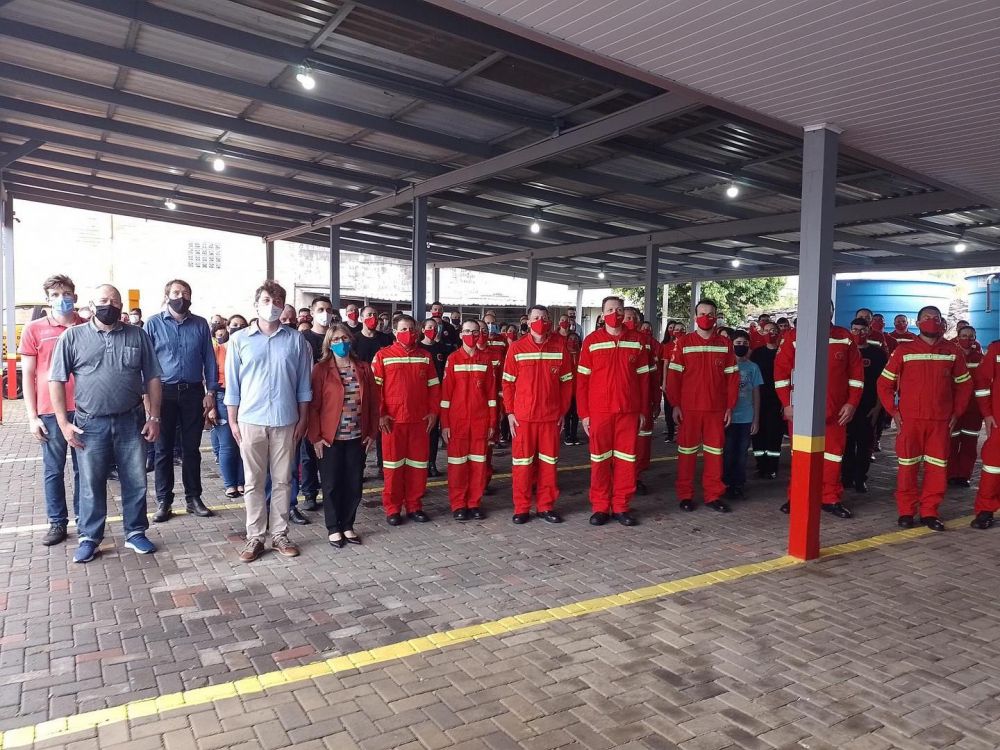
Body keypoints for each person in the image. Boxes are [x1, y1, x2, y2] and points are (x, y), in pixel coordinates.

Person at [49, 284, 162, 563]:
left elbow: (153, 377)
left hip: (131, 421)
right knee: (90, 482)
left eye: (114, 301)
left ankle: (135, 532)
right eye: (102, 300)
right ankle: (89, 537)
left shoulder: (138, 335)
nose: (108, 305)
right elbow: (57, 380)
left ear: (122, 306)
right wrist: (64, 423)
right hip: (89, 423)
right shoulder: (72, 338)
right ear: (90, 304)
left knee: (135, 480)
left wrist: (154, 417)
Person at [225, 280, 313, 562]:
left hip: (286, 420)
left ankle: (279, 534)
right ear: (256, 304)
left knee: (283, 480)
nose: (272, 306)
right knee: (252, 481)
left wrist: (303, 418)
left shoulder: (295, 340)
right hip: (251, 419)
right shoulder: (239, 340)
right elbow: (233, 386)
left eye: (277, 301)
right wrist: (234, 422)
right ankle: (255, 537)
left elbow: (303, 384)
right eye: (266, 300)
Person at [877, 305, 972, 531]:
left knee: (937, 469)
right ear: (918, 323)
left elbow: (964, 385)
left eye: (936, 318)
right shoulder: (903, 351)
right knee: (907, 467)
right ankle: (907, 511)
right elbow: (884, 384)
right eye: (927, 318)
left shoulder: (952, 351)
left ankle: (930, 511)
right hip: (911, 421)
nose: (932, 321)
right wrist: (894, 412)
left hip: (940, 422)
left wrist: (956, 413)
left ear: (942, 323)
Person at [774, 304, 862, 518]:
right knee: (801, 457)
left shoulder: (845, 337)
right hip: (801, 411)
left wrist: (852, 403)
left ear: (832, 312)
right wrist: (787, 404)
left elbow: (856, 376)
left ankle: (830, 498)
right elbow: (781, 374)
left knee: (832, 458)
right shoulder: (793, 337)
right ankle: (797, 497)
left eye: (826, 308)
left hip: (836, 412)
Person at [142, 280, 217, 522]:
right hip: (162, 393)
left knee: (191, 449)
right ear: (166, 296)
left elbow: (209, 359)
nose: (181, 296)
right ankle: (164, 501)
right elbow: (146, 362)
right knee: (163, 449)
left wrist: (210, 392)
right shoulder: (153, 324)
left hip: (193, 392)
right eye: (176, 292)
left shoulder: (200, 324)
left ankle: (194, 498)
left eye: (185, 292)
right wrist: (147, 399)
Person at [20, 274, 84, 546]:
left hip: (85, 410)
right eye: (55, 295)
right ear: (47, 300)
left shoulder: (87, 327)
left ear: (75, 297)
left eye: (66, 294)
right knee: (53, 470)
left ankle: (85, 520)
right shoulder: (34, 329)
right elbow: (29, 375)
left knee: (86, 469)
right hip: (49, 411)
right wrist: (32, 417)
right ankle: (57, 523)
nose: (62, 299)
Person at [576, 297, 650, 526]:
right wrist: (584, 414)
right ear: (602, 313)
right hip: (600, 412)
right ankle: (600, 507)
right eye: (610, 310)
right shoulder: (591, 341)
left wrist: (642, 411)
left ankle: (621, 506)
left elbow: (644, 380)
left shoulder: (637, 341)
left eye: (619, 310)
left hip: (628, 412)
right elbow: (582, 381)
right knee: (599, 461)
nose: (615, 314)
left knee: (626, 461)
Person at [665, 299, 739, 513]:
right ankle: (685, 495)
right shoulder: (684, 343)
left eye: (710, 313)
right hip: (689, 409)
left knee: (715, 454)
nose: (706, 317)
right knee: (686, 454)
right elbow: (674, 377)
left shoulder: (725, 345)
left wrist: (729, 407)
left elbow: (732, 379)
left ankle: (713, 495)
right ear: (695, 317)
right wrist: (675, 405)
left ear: (717, 317)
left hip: (716, 410)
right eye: (702, 313)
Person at [502, 304, 573, 524]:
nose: (540, 321)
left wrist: (562, 412)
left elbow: (567, 383)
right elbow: (508, 383)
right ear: (528, 321)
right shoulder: (517, 348)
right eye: (535, 317)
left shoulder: (560, 348)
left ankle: (546, 506)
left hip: (550, 417)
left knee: (549, 465)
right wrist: (510, 412)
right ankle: (522, 507)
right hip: (523, 418)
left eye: (543, 317)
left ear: (549, 320)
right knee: (522, 465)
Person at [308, 324, 378, 547]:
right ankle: (333, 527)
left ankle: (348, 524)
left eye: (344, 338)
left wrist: (372, 433)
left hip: (357, 436)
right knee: (331, 484)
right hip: (330, 438)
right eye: (336, 339)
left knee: (353, 484)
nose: (341, 343)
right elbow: (313, 406)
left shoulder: (364, 368)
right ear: (329, 343)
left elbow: (374, 404)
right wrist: (315, 436)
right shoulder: (321, 370)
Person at [372, 315, 440, 525]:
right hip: (393, 422)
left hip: (419, 422)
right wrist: (381, 414)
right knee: (393, 468)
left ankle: (414, 505)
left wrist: (433, 412)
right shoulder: (383, 356)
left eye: (412, 329)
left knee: (418, 466)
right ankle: (392, 508)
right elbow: (376, 390)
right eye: (403, 329)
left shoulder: (425, 356)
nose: (409, 333)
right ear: (394, 331)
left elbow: (434, 388)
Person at [440, 320, 496, 521]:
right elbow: (445, 396)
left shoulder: (486, 361)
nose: (471, 335)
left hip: (480, 421)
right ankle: (458, 504)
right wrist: (445, 424)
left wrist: (492, 423)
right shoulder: (453, 359)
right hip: (458, 422)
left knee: (479, 465)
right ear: (460, 334)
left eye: (474, 331)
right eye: (466, 331)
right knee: (457, 466)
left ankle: (474, 503)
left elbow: (491, 396)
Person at [841, 318, 888, 494]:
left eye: (862, 330)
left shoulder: (878, 354)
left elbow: (883, 384)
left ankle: (861, 479)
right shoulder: (844, 351)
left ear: (869, 331)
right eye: (855, 330)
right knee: (846, 445)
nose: (858, 333)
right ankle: (846, 478)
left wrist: (878, 408)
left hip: (868, 409)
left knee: (864, 446)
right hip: (846, 408)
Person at [722, 331, 762, 500]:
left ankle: (738, 484)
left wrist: (756, 419)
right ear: (732, 344)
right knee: (728, 451)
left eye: (745, 343)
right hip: (728, 417)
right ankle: (724, 483)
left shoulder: (753, 367)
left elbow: (756, 393)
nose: (741, 346)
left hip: (746, 417)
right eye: (738, 342)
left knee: (741, 453)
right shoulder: (725, 365)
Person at [624, 307, 659, 494]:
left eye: (633, 318)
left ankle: (636, 477)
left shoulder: (645, 342)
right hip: (623, 403)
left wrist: (655, 399)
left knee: (641, 442)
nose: (630, 321)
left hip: (643, 401)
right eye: (627, 317)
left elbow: (653, 375)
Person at [209, 324, 244, 499]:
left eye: (242, 325)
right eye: (234, 325)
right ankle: (230, 484)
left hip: (246, 398)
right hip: (222, 396)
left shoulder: (247, 348)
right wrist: (212, 407)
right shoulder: (218, 350)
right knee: (227, 444)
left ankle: (241, 481)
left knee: (244, 444)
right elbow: (210, 379)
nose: (238, 328)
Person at [949, 325, 983, 487]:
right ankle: (951, 473)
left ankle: (964, 475)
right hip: (953, 408)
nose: (967, 339)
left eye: (971, 336)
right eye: (964, 335)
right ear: (957, 336)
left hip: (973, 409)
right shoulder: (952, 356)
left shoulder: (980, 358)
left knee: (969, 443)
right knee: (951, 442)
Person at [971, 339, 1000, 529]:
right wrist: (987, 413)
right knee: (993, 466)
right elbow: (981, 382)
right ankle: (985, 510)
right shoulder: (997, 349)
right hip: (999, 421)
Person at [750, 321, 783, 479]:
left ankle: (772, 467)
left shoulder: (784, 352)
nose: (771, 333)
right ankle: (760, 465)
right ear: (761, 333)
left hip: (777, 401)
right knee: (758, 433)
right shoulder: (757, 353)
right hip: (758, 399)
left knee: (774, 434)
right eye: (767, 330)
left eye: (774, 330)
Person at [420, 318, 449, 478]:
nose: (433, 330)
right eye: (429, 327)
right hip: (421, 396)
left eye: (435, 327)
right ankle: (421, 463)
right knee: (422, 432)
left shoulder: (441, 348)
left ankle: (432, 462)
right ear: (423, 329)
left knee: (433, 432)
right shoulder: (418, 348)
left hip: (438, 395)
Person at [563, 332, 582, 446]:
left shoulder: (581, 354)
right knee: (567, 414)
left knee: (575, 415)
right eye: (571, 338)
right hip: (567, 390)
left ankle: (574, 435)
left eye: (575, 338)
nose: (573, 340)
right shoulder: (564, 354)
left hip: (577, 390)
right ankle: (567, 435)